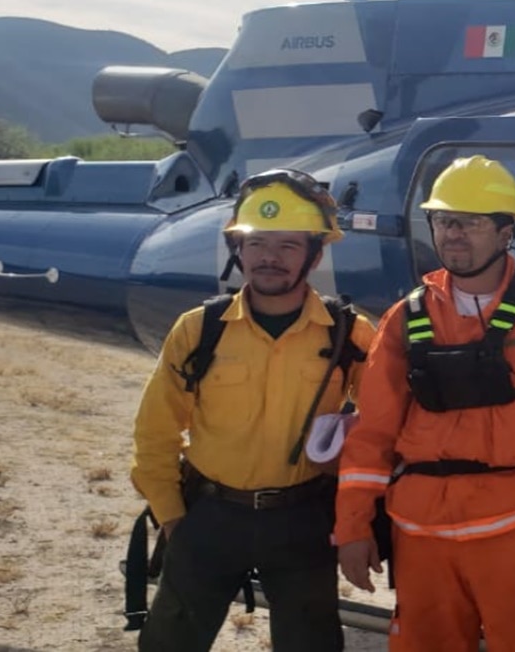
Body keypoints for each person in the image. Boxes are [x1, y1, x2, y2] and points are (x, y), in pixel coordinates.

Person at [334, 155, 515, 651]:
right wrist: (352, 527)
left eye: (470, 222)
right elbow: (373, 434)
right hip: (421, 536)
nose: (453, 234)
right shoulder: (406, 319)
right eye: (444, 221)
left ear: (507, 230)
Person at [130, 169, 377, 652]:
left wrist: (356, 522)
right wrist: (174, 518)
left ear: (315, 253)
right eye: (257, 242)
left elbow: (382, 433)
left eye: (287, 245)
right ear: (236, 249)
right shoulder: (199, 329)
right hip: (208, 514)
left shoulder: (348, 334)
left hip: (303, 519)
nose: (269, 257)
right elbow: (155, 431)